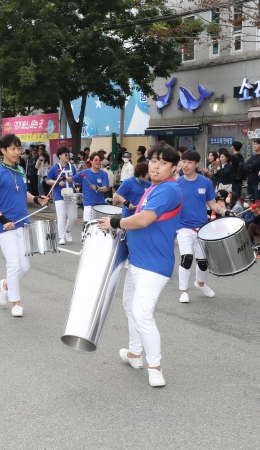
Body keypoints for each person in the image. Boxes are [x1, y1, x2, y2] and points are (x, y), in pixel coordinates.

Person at [97, 145, 182, 388]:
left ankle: (155, 367)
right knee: (130, 307)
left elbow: (144, 219)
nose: (156, 165)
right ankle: (135, 353)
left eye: (163, 162)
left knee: (142, 313)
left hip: (153, 264)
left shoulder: (168, 190)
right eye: (154, 160)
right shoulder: (154, 187)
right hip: (139, 260)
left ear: (173, 167)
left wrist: (115, 221)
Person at [0, 133, 50, 317]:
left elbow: (23, 194)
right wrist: (3, 219)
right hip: (5, 227)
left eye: (18, 148)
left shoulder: (20, 170)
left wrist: (37, 199)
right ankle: (16, 303)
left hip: (23, 224)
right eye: (12, 148)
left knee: (25, 266)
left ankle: (6, 284)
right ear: (3, 151)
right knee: (13, 264)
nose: (16, 152)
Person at [176, 150, 227, 302]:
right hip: (183, 227)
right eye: (183, 162)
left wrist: (226, 212)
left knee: (203, 263)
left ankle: (200, 283)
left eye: (189, 162)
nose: (185, 165)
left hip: (202, 228)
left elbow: (213, 205)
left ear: (197, 164)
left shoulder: (205, 182)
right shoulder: (177, 184)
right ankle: (183, 291)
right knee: (186, 259)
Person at [46, 147, 78, 245]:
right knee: (61, 217)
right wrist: (57, 181)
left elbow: (75, 178)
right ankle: (61, 237)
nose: (67, 156)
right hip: (59, 195)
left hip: (70, 194)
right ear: (60, 156)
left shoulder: (72, 167)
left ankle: (67, 231)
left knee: (73, 216)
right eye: (65, 154)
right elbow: (48, 180)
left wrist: (77, 186)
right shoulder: (54, 168)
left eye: (68, 154)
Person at [80, 152, 111, 223]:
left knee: (99, 226)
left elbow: (106, 188)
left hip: (100, 203)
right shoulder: (84, 172)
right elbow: (72, 178)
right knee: (87, 225)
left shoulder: (104, 174)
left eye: (99, 160)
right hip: (88, 203)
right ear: (91, 161)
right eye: (96, 160)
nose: (98, 162)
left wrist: (98, 188)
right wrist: (63, 178)